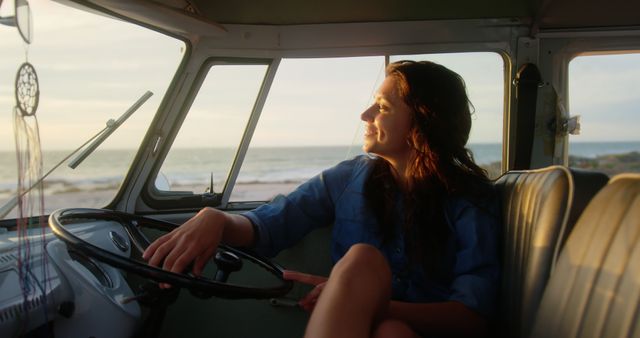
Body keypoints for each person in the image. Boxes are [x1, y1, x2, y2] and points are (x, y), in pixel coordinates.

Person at [143, 60, 500, 338]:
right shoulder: (348, 179)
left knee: (374, 289)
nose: (365, 115)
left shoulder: (470, 201)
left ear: (422, 122)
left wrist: (357, 301)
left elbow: (471, 320)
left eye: (383, 107)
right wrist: (215, 219)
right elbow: (269, 225)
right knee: (392, 329)